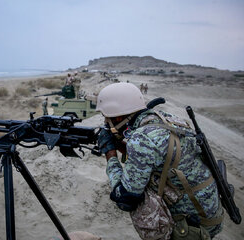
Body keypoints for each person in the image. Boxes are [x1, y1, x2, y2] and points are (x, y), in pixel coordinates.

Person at [96, 82, 223, 239]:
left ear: (119, 117)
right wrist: (120, 144)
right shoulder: (168, 120)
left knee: (135, 196)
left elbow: (125, 197)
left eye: (107, 119)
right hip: (212, 213)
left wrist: (110, 154)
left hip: (192, 227)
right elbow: (158, 157)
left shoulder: (141, 138)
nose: (106, 124)